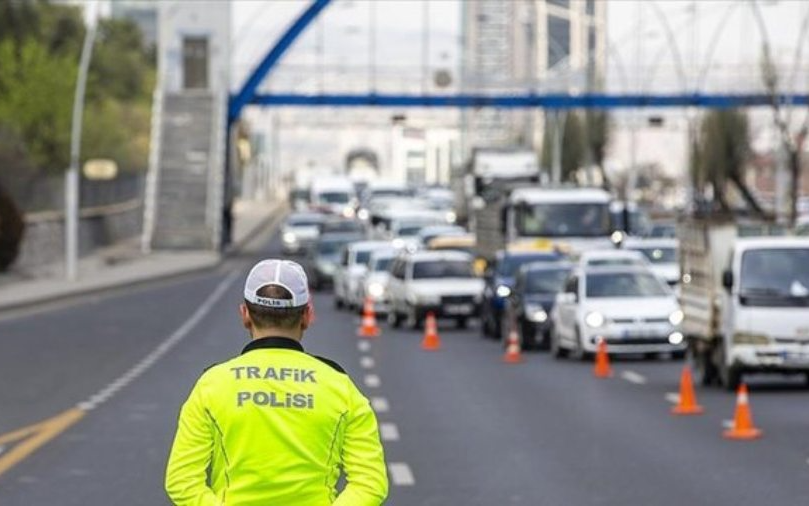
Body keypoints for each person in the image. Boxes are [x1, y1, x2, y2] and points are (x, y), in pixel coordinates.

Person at [165, 259, 388, 505]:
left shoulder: (212, 385)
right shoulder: (340, 386)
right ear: (307, 316)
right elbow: (370, 482)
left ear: (245, 315)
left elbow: (181, 480)